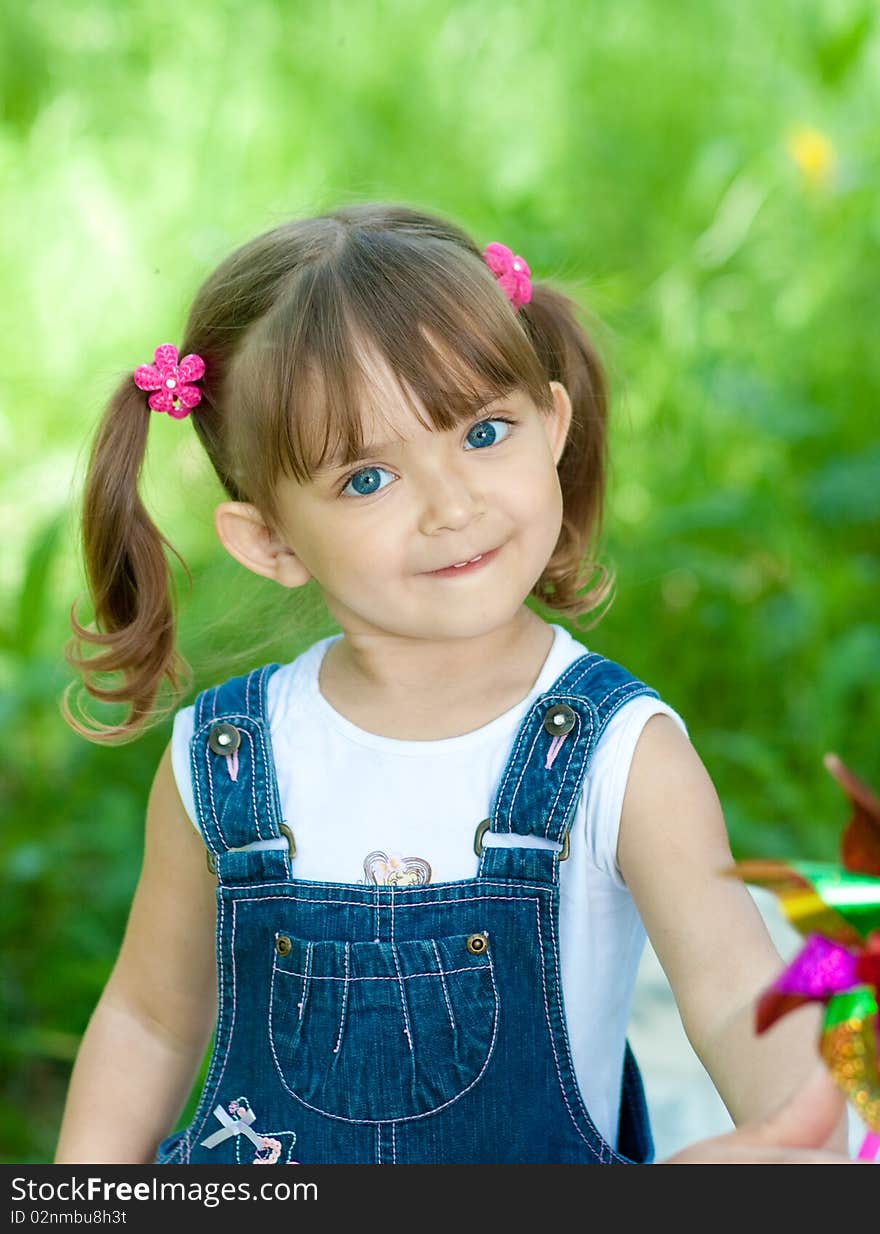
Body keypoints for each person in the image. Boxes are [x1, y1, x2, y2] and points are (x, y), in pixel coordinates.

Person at [54, 203, 855, 1165]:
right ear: (268, 540)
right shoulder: (227, 762)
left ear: (553, 424)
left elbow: (735, 994)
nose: (452, 504)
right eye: (367, 479)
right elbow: (150, 1021)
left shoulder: (618, 753)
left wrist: (800, 1135)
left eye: (484, 433)